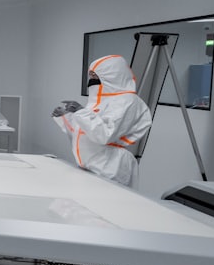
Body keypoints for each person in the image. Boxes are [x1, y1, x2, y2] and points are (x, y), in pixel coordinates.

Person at [52, 54, 153, 186]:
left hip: (111, 168)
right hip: (91, 166)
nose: (91, 80)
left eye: (95, 76)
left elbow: (105, 135)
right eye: (90, 75)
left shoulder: (127, 101)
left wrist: (81, 111)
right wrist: (66, 117)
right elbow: (85, 133)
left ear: (112, 75)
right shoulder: (99, 102)